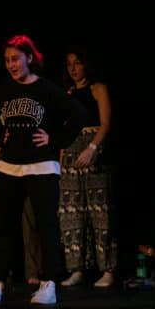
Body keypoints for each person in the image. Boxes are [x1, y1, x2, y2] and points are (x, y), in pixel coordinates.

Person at [0, 35, 85, 304]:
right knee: (5, 228)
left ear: (29, 58)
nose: (11, 65)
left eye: (15, 59)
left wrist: (55, 139)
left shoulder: (47, 89)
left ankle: (48, 284)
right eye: (7, 60)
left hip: (41, 166)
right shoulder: (3, 91)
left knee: (46, 227)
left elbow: (78, 114)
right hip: (10, 167)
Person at [58, 47, 118, 288]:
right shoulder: (68, 93)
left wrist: (92, 148)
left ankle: (108, 269)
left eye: (77, 63)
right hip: (71, 152)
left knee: (100, 210)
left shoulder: (98, 88)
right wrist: (62, 154)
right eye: (69, 64)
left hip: (93, 151)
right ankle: (77, 268)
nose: (73, 69)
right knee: (71, 212)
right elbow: (63, 126)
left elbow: (105, 123)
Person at [0, 136, 40, 285]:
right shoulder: (0, 116)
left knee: (29, 221)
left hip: (29, 164)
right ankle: (3, 271)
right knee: (3, 223)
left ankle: (33, 271)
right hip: (4, 166)